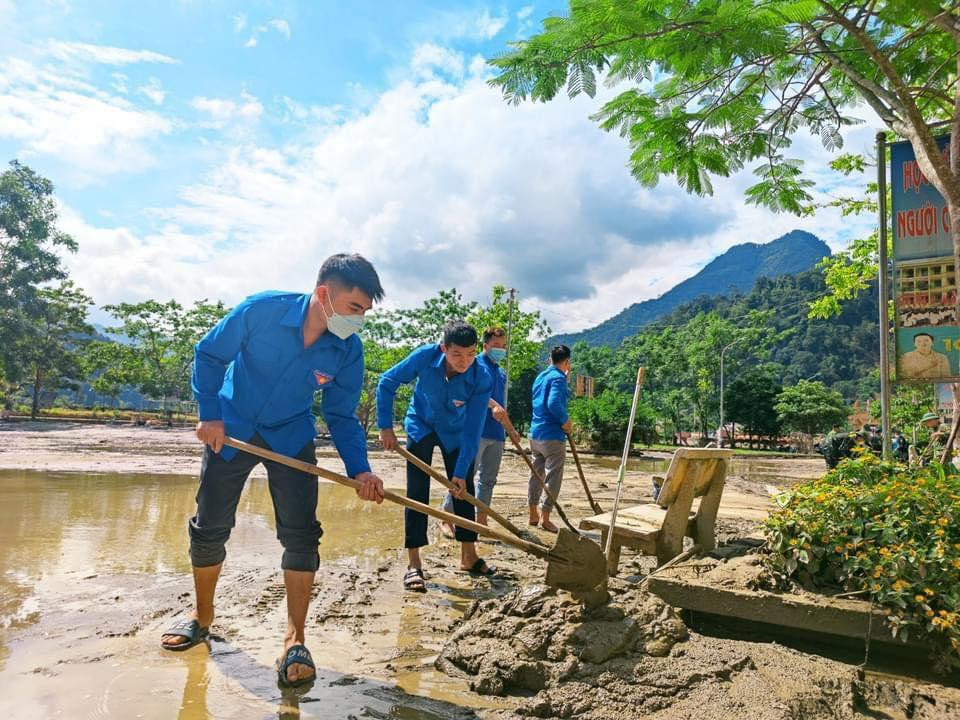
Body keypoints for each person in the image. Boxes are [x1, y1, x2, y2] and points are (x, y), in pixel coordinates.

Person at [160, 254, 387, 690]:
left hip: (291, 437)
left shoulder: (347, 349)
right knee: (210, 526)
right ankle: (201, 616)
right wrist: (210, 415)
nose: (359, 320)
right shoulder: (260, 311)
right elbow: (209, 355)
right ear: (324, 295)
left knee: (301, 533)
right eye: (355, 308)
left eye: (365, 312)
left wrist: (361, 470)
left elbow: (340, 415)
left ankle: (295, 638)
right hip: (232, 431)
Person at [377, 320, 495, 592]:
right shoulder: (424, 356)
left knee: (463, 491)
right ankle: (414, 564)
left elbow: (473, 429)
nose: (464, 361)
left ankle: (469, 556)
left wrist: (460, 470)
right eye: (456, 355)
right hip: (421, 426)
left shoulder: (481, 378)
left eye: (470, 354)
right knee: (417, 492)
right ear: (443, 348)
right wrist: (385, 426)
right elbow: (387, 382)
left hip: (456, 433)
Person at [441, 326, 509, 534]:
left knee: (488, 479)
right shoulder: (475, 365)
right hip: (475, 431)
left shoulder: (500, 371)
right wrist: (493, 405)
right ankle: (446, 517)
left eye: (503, 346)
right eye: (496, 345)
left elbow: (502, 402)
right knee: (464, 476)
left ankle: (481, 519)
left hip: (496, 433)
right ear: (485, 345)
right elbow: (470, 392)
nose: (500, 349)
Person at [528, 345, 572, 533]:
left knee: (536, 473)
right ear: (566, 361)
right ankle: (545, 517)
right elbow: (553, 403)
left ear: (550, 359)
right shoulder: (558, 378)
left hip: (535, 433)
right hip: (552, 435)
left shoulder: (541, 377)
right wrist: (565, 421)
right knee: (553, 477)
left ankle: (532, 513)